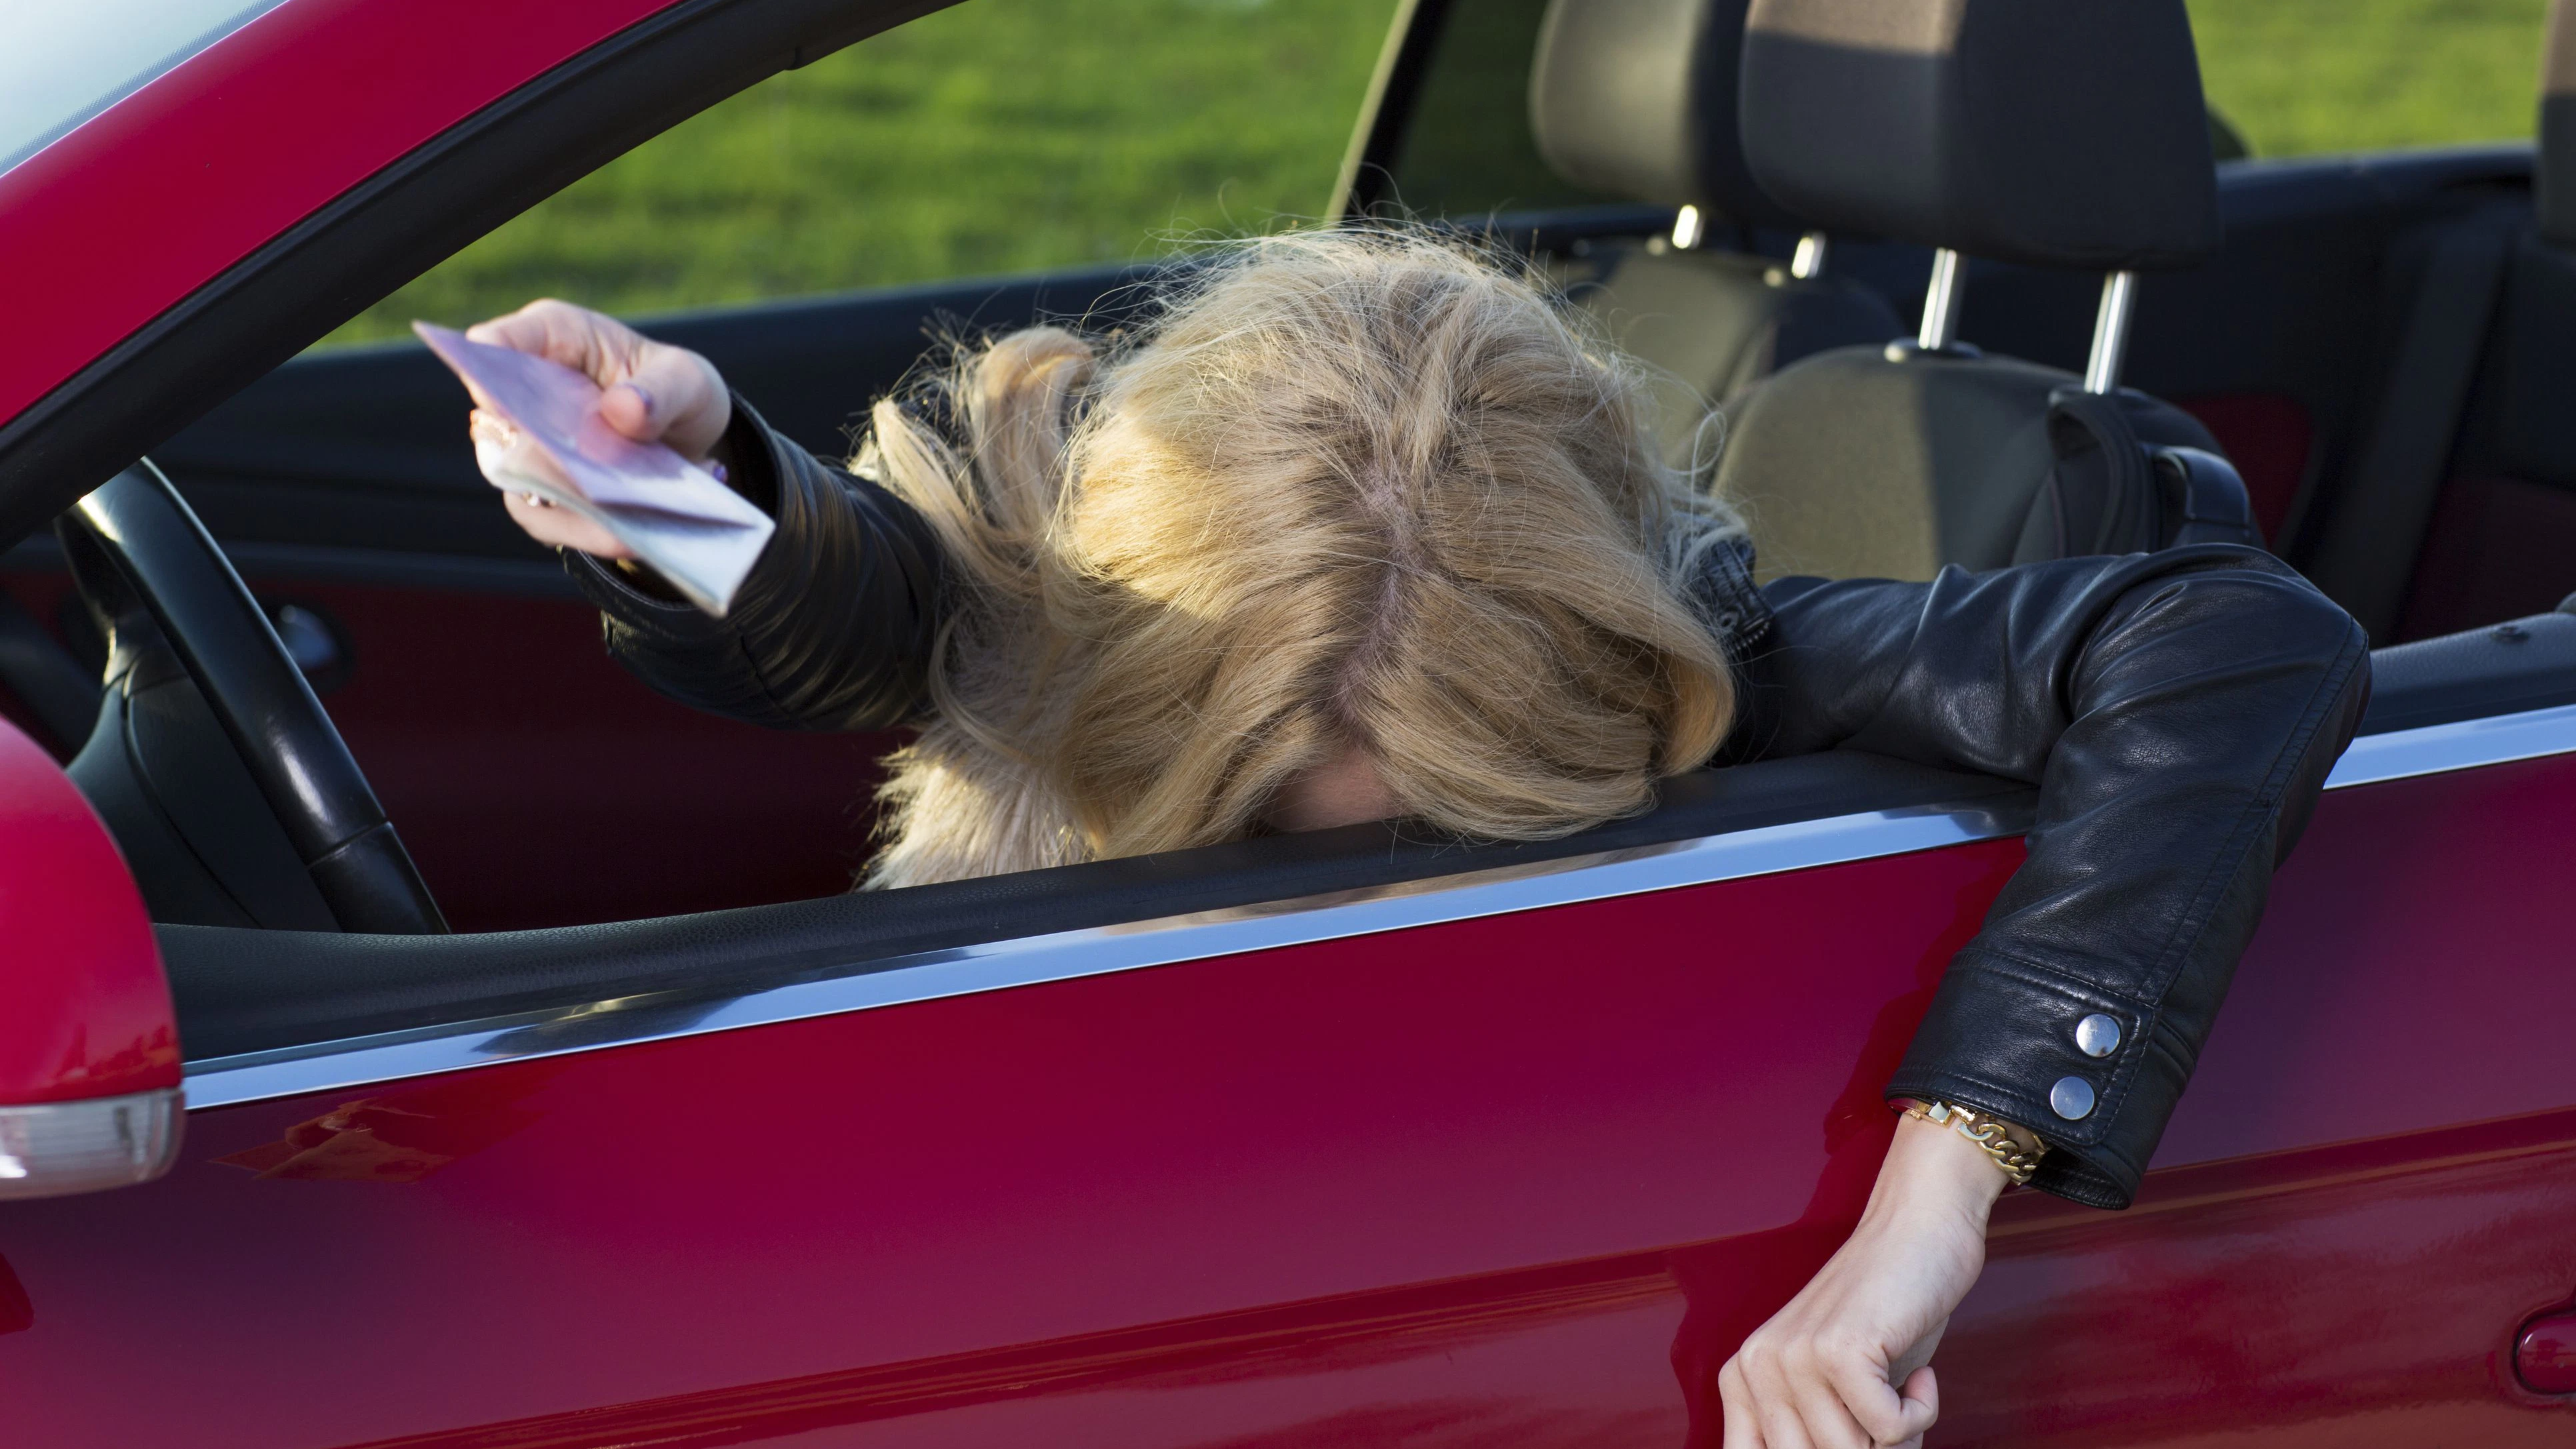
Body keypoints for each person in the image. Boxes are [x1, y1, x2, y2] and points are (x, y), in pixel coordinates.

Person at [459, 229, 2368, 1449]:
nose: (1356, 873)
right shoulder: (1071, 605)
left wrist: (1930, 1209)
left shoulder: (1711, 661)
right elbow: (911, 602)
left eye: (1444, 822)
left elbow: (2238, 641)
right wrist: (680, 485)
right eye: (1268, 833)